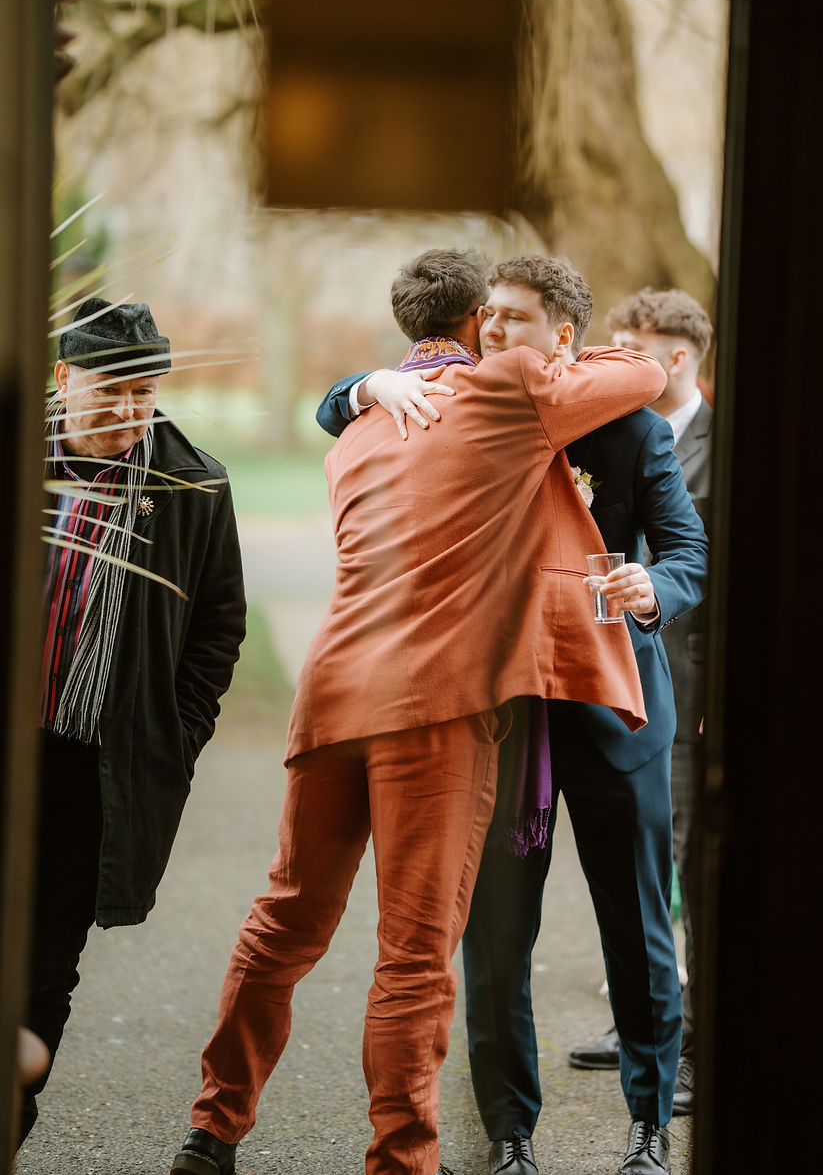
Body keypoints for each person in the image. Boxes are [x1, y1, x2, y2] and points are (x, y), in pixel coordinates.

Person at [170, 248, 668, 1175]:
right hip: (435, 708)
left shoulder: (357, 428)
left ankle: (212, 1128)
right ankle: (403, 1161)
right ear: (481, 319)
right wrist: (537, 352)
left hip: (332, 696)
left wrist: (360, 385)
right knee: (414, 954)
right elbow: (642, 370)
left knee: (284, 920)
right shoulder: (509, 390)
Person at [319, 255, 709, 1175]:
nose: (491, 332)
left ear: (563, 338)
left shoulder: (630, 430)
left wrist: (653, 584)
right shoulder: (459, 411)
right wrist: (361, 382)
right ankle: (509, 1135)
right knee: (498, 934)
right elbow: (343, 409)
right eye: (486, 317)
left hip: (620, 708)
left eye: (515, 319)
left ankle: (650, 1128)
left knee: (640, 925)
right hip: (502, 712)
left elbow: (689, 548)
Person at [23, 297, 246, 1146]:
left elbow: (218, 627)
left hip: (99, 771)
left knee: (47, 972)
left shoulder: (194, 483)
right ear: (63, 378)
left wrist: (174, 740)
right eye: (109, 391)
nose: (126, 412)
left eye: (144, 392)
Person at [568, 288, 713, 1122]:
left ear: (677, 357)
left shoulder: (720, 442)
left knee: (691, 872)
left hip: (694, 695)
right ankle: (650, 1033)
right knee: (648, 875)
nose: (614, 362)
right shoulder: (613, 432)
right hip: (634, 687)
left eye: (633, 347)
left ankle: (691, 1044)